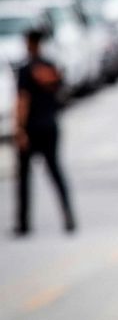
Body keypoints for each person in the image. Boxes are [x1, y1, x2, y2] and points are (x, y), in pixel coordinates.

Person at [14, 29, 75, 236]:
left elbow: (23, 100)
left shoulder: (25, 69)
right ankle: (68, 217)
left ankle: (23, 223)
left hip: (31, 128)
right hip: (50, 125)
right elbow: (62, 91)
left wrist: (20, 129)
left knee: (24, 178)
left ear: (30, 43)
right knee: (56, 172)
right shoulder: (50, 67)